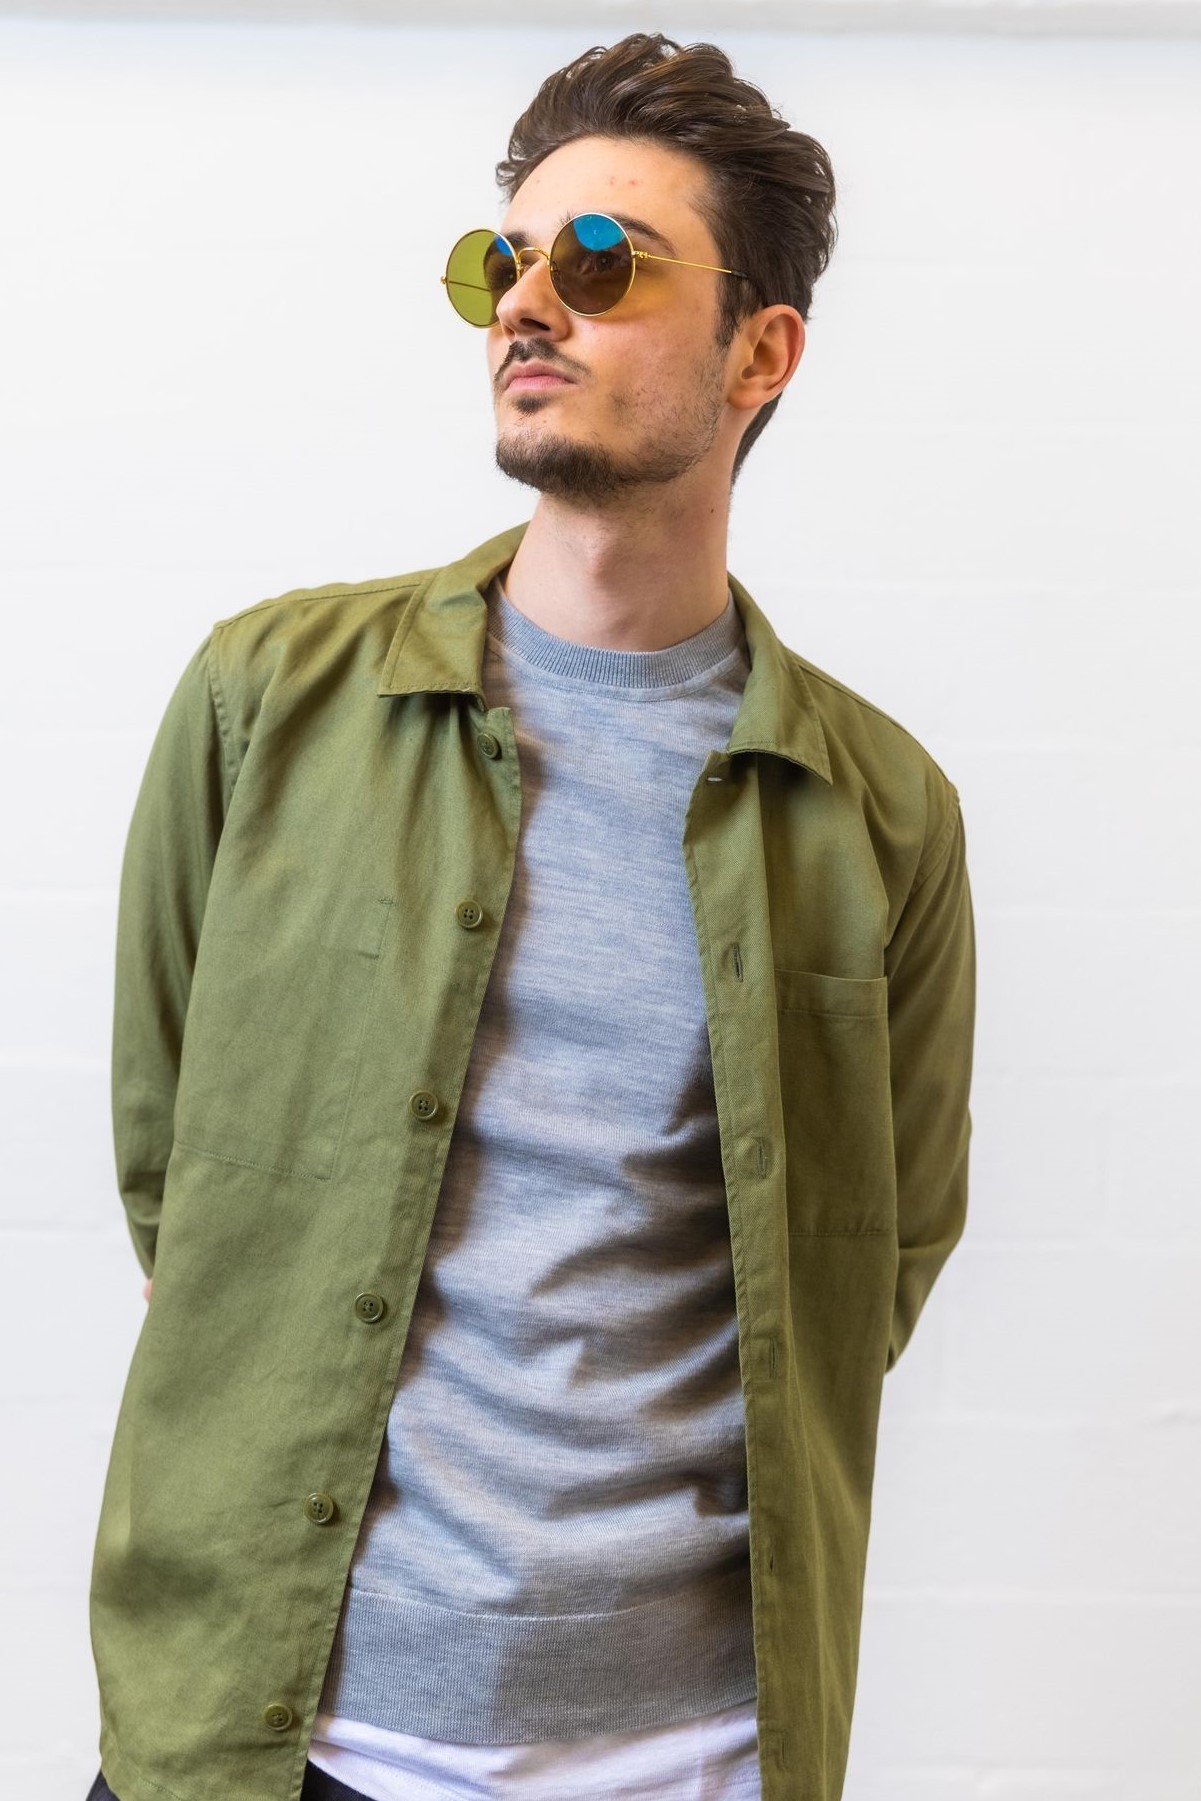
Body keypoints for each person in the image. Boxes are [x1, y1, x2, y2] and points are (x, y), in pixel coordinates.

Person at [87, 31, 975, 1801]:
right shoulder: (270, 699)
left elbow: (873, 1256)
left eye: (602, 262)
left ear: (759, 352)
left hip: (685, 1755)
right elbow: (174, 1170)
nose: (525, 304)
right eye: (503, 261)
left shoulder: (875, 810)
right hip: (266, 1734)